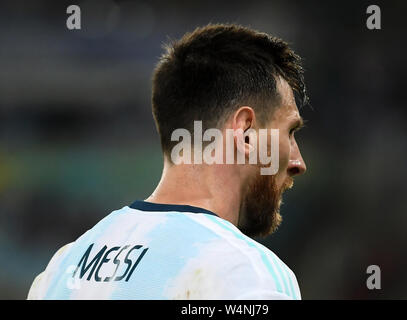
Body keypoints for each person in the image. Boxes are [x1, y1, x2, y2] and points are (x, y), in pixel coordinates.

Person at [27, 23, 308, 300]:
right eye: (289, 132)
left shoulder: (61, 269)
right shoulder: (244, 273)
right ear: (246, 133)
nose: (298, 162)